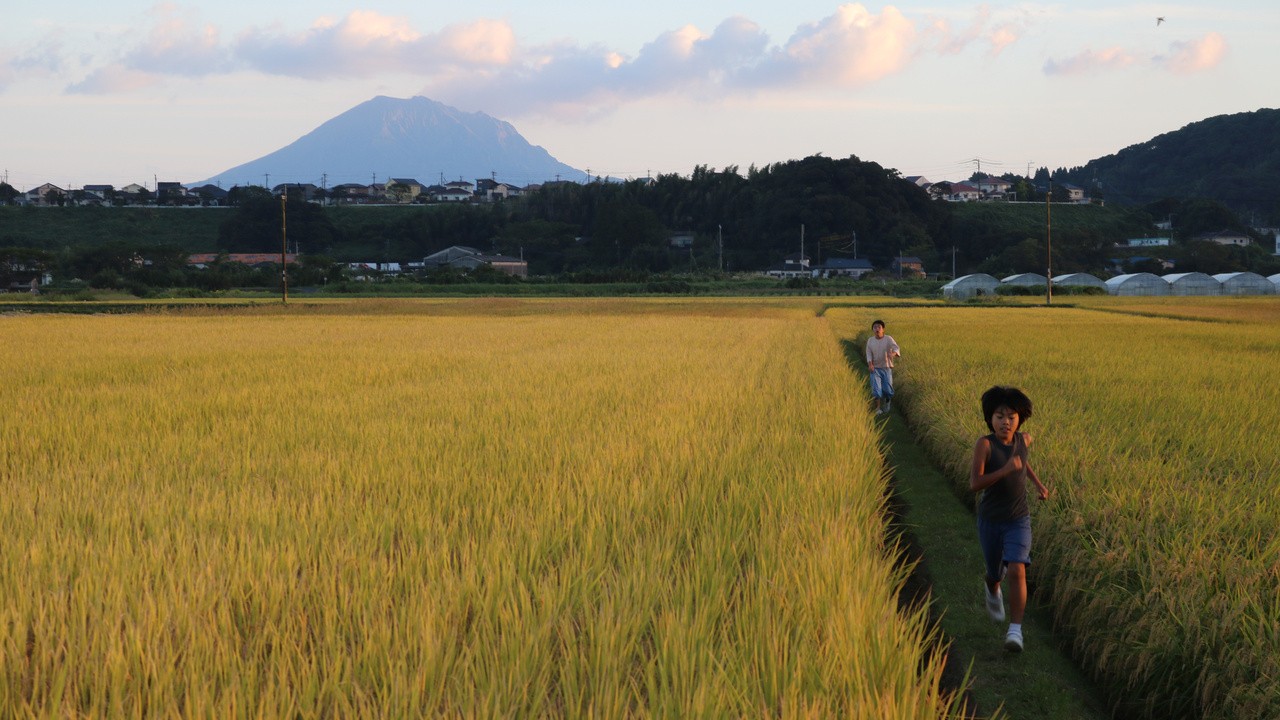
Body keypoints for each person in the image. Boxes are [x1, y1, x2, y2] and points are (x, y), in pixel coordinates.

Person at [969, 385, 1050, 653]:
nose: (1006, 422)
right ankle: (993, 588)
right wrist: (1004, 470)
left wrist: (1038, 484)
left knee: (1017, 567)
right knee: (995, 574)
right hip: (991, 520)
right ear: (990, 418)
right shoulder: (985, 445)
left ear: (1020, 419)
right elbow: (975, 483)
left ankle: (1015, 631)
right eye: (1000, 416)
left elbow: (1022, 461)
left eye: (1011, 417)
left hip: (1018, 518)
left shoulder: (1023, 440)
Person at [865, 320, 901, 415]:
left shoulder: (888, 339)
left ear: (883, 329)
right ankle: (877, 408)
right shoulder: (870, 340)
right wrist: (870, 364)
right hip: (875, 368)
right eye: (875, 327)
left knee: (887, 389)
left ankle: (887, 401)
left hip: (886, 367)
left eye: (879, 327)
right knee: (876, 389)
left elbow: (896, 348)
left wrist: (893, 354)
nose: (877, 329)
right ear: (873, 329)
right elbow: (868, 353)